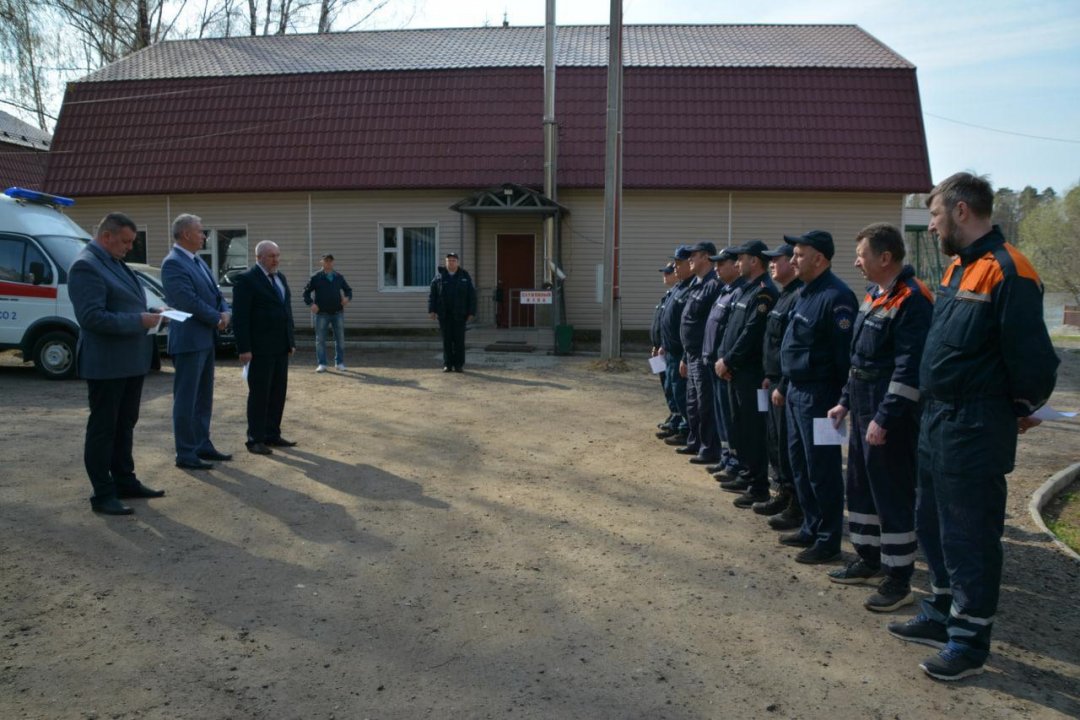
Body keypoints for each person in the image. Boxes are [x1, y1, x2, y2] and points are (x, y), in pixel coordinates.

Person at [887, 173, 1058, 681]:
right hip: (938, 418)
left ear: (962, 211)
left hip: (975, 424)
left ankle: (969, 639)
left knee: (970, 535)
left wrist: (1021, 404)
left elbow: (1034, 358)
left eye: (936, 214)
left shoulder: (1009, 270)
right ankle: (941, 614)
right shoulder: (960, 268)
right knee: (933, 524)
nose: (933, 224)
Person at [825, 223, 932, 612]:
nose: (857, 262)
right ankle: (868, 559)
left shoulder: (913, 299)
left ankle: (898, 579)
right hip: (863, 405)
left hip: (890, 416)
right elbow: (859, 359)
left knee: (892, 496)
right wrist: (844, 402)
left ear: (885, 257)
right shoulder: (874, 295)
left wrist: (884, 418)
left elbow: (909, 369)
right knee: (861, 489)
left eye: (862, 255)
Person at [68, 213, 165, 515]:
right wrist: (139, 320)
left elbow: (124, 303)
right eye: (125, 241)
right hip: (106, 363)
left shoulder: (116, 262)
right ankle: (102, 493)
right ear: (106, 236)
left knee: (125, 425)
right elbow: (92, 317)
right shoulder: (86, 266)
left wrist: (152, 311)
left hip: (129, 361)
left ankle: (125, 480)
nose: (129, 248)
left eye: (131, 242)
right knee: (103, 429)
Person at [778, 230, 857, 564]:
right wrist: (784, 383)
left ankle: (828, 539)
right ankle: (811, 526)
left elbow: (845, 357)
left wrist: (842, 400)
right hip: (797, 391)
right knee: (799, 463)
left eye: (798, 254)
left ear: (819, 259)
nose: (793, 260)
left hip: (821, 396)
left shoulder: (837, 297)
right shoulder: (806, 293)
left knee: (821, 468)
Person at [161, 213, 233, 471]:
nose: (204, 236)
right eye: (201, 231)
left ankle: (202, 443)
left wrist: (225, 312)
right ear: (186, 234)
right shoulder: (173, 264)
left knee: (204, 397)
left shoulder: (197, 261)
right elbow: (186, 300)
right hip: (189, 340)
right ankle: (186, 452)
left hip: (205, 339)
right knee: (187, 399)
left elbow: (216, 293)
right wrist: (217, 318)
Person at [714, 240, 779, 509]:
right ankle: (746, 474)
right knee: (739, 427)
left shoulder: (764, 292)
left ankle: (758, 486)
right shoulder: (746, 290)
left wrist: (728, 360)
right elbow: (731, 328)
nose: (736, 263)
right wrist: (725, 360)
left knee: (753, 431)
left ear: (754, 261)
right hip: (736, 372)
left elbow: (751, 333)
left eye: (740, 259)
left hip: (751, 374)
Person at [754, 243, 804, 530]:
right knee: (776, 442)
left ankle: (796, 503)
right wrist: (768, 374)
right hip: (773, 380)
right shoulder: (785, 295)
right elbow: (774, 343)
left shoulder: (797, 295)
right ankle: (783, 492)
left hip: (787, 386)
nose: (772, 264)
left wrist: (782, 382)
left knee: (788, 448)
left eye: (777, 260)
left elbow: (793, 348)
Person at [232, 240, 297, 455]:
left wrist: (291, 341)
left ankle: (272, 434)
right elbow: (240, 317)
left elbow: (286, 311)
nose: (276, 260)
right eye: (271, 256)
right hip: (259, 348)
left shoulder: (280, 278)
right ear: (259, 257)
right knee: (260, 394)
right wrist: (244, 348)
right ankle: (255, 439)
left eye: (277, 255)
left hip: (280, 347)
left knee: (278, 392)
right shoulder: (247, 280)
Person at [677, 241, 723, 465]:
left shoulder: (714, 284)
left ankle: (710, 448)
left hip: (704, 355)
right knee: (693, 403)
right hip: (691, 354)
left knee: (706, 405)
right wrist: (685, 356)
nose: (689, 261)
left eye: (693, 256)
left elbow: (712, 324)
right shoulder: (697, 284)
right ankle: (696, 441)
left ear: (706, 257)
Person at [701, 247, 745, 477]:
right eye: (715, 263)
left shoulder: (739, 292)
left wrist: (725, 360)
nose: (717, 268)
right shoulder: (724, 290)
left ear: (735, 265)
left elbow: (733, 333)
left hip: (724, 366)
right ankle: (726, 457)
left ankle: (734, 461)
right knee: (720, 416)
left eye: (721, 263)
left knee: (730, 418)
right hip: (713, 362)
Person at [659, 247, 695, 446]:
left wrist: (684, 355)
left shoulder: (691, 289)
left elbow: (688, 325)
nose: (675, 267)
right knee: (672, 390)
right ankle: (678, 423)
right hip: (670, 351)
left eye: (679, 263)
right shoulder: (679, 288)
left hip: (681, 352)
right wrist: (662, 344)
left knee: (682, 393)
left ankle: (685, 428)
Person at [303, 253, 353, 373]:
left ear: (333, 262)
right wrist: (311, 304)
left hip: (337, 312)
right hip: (321, 314)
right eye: (326, 261)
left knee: (340, 339)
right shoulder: (315, 277)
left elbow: (348, 290)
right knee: (320, 340)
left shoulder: (338, 277)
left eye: (330, 261)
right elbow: (306, 293)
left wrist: (347, 298)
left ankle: (339, 363)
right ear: (322, 262)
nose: (328, 263)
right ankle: (322, 363)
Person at [428, 252, 476, 373]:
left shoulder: (464, 276)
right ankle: (448, 364)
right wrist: (432, 310)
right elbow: (432, 295)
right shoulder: (439, 277)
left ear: (457, 262)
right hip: (444, 315)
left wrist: (471, 312)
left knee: (459, 341)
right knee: (447, 340)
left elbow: (472, 296)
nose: (451, 262)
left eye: (454, 260)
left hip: (460, 315)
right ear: (446, 262)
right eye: (449, 260)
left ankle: (459, 365)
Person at [653, 263, 681, 438]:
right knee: (666, 384)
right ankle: (673, 415)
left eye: (669, 272)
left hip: (671, 351)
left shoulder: (677, 295)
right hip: (660, 350)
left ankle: (678, 420)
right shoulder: (669, 295)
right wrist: (657, 345)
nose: (665, 274)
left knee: (674, 385)